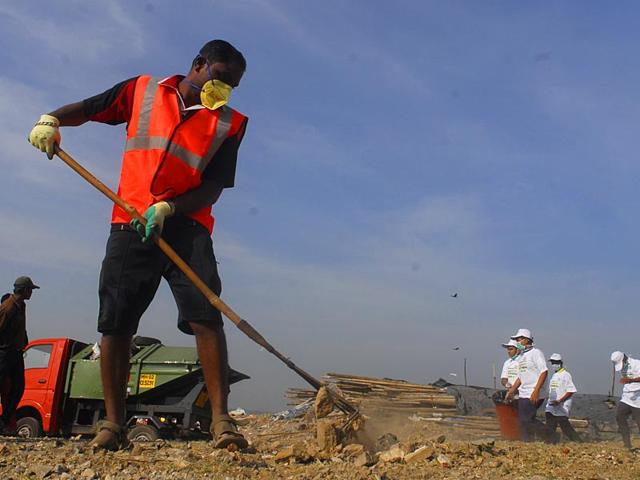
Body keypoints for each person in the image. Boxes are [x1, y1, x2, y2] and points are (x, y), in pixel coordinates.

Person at [28, 39, 249, 451]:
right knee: (116, 321)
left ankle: (222, 422)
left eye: (231, 86)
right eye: (220, 79)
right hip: (130, 222)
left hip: (187, 227)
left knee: (206, 315)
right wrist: (51, 119)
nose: (223, 91)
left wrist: (170, 207)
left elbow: (214, 187)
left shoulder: (229, 123)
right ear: (198, 64)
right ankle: (112, 424)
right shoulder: (143, 91)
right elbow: (92, 108)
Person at [0, 276, 39, 432]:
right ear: (24, 290)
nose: (32, 293)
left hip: (16, 353)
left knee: (18, 388)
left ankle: (4, 420)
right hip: (5, 353)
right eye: (30, 290)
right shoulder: (7, 308)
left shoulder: (21, 306)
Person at [505, 328, 548, 441]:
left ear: (526, 340)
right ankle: (528, 441)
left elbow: (544, 372)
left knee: (526, 420)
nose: (517, 342)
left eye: (519, 339)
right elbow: (521, 376)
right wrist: (512, 390)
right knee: (524, 419)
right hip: (524, 392)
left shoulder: (536, 353)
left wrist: (536, 391)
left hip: (533, 392)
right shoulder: (522, 356)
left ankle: (551, 436)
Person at [544, 353, 580, 443]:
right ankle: (550, 441)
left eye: (555, 362)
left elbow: (571, 390)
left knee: (565, 426)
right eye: (552, 362)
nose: (553, 365)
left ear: (560, 363)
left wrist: (560, 401)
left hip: (562, 405)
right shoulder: (554, 376)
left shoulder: (566, 375)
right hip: (552, 404)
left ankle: (578, 441)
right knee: (550, 421)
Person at [611, 351, 640, 450]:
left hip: (638, 399)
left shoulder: (637, 364)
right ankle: (627, 444)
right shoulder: (621, 367)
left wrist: (630, 380)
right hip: (626, 398)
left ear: (624, 358)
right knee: (620, 417)